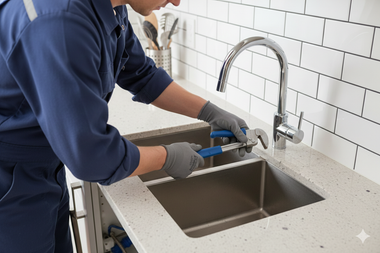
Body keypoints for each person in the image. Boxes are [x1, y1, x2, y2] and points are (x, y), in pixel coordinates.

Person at [0, 0, 250, 252]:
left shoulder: (110, 7)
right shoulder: (59, 21)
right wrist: (167, 157)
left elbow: (142, 74)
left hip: (45, 166)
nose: (176, 1)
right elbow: (91, 155)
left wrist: (209, 111)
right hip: (10, 180)